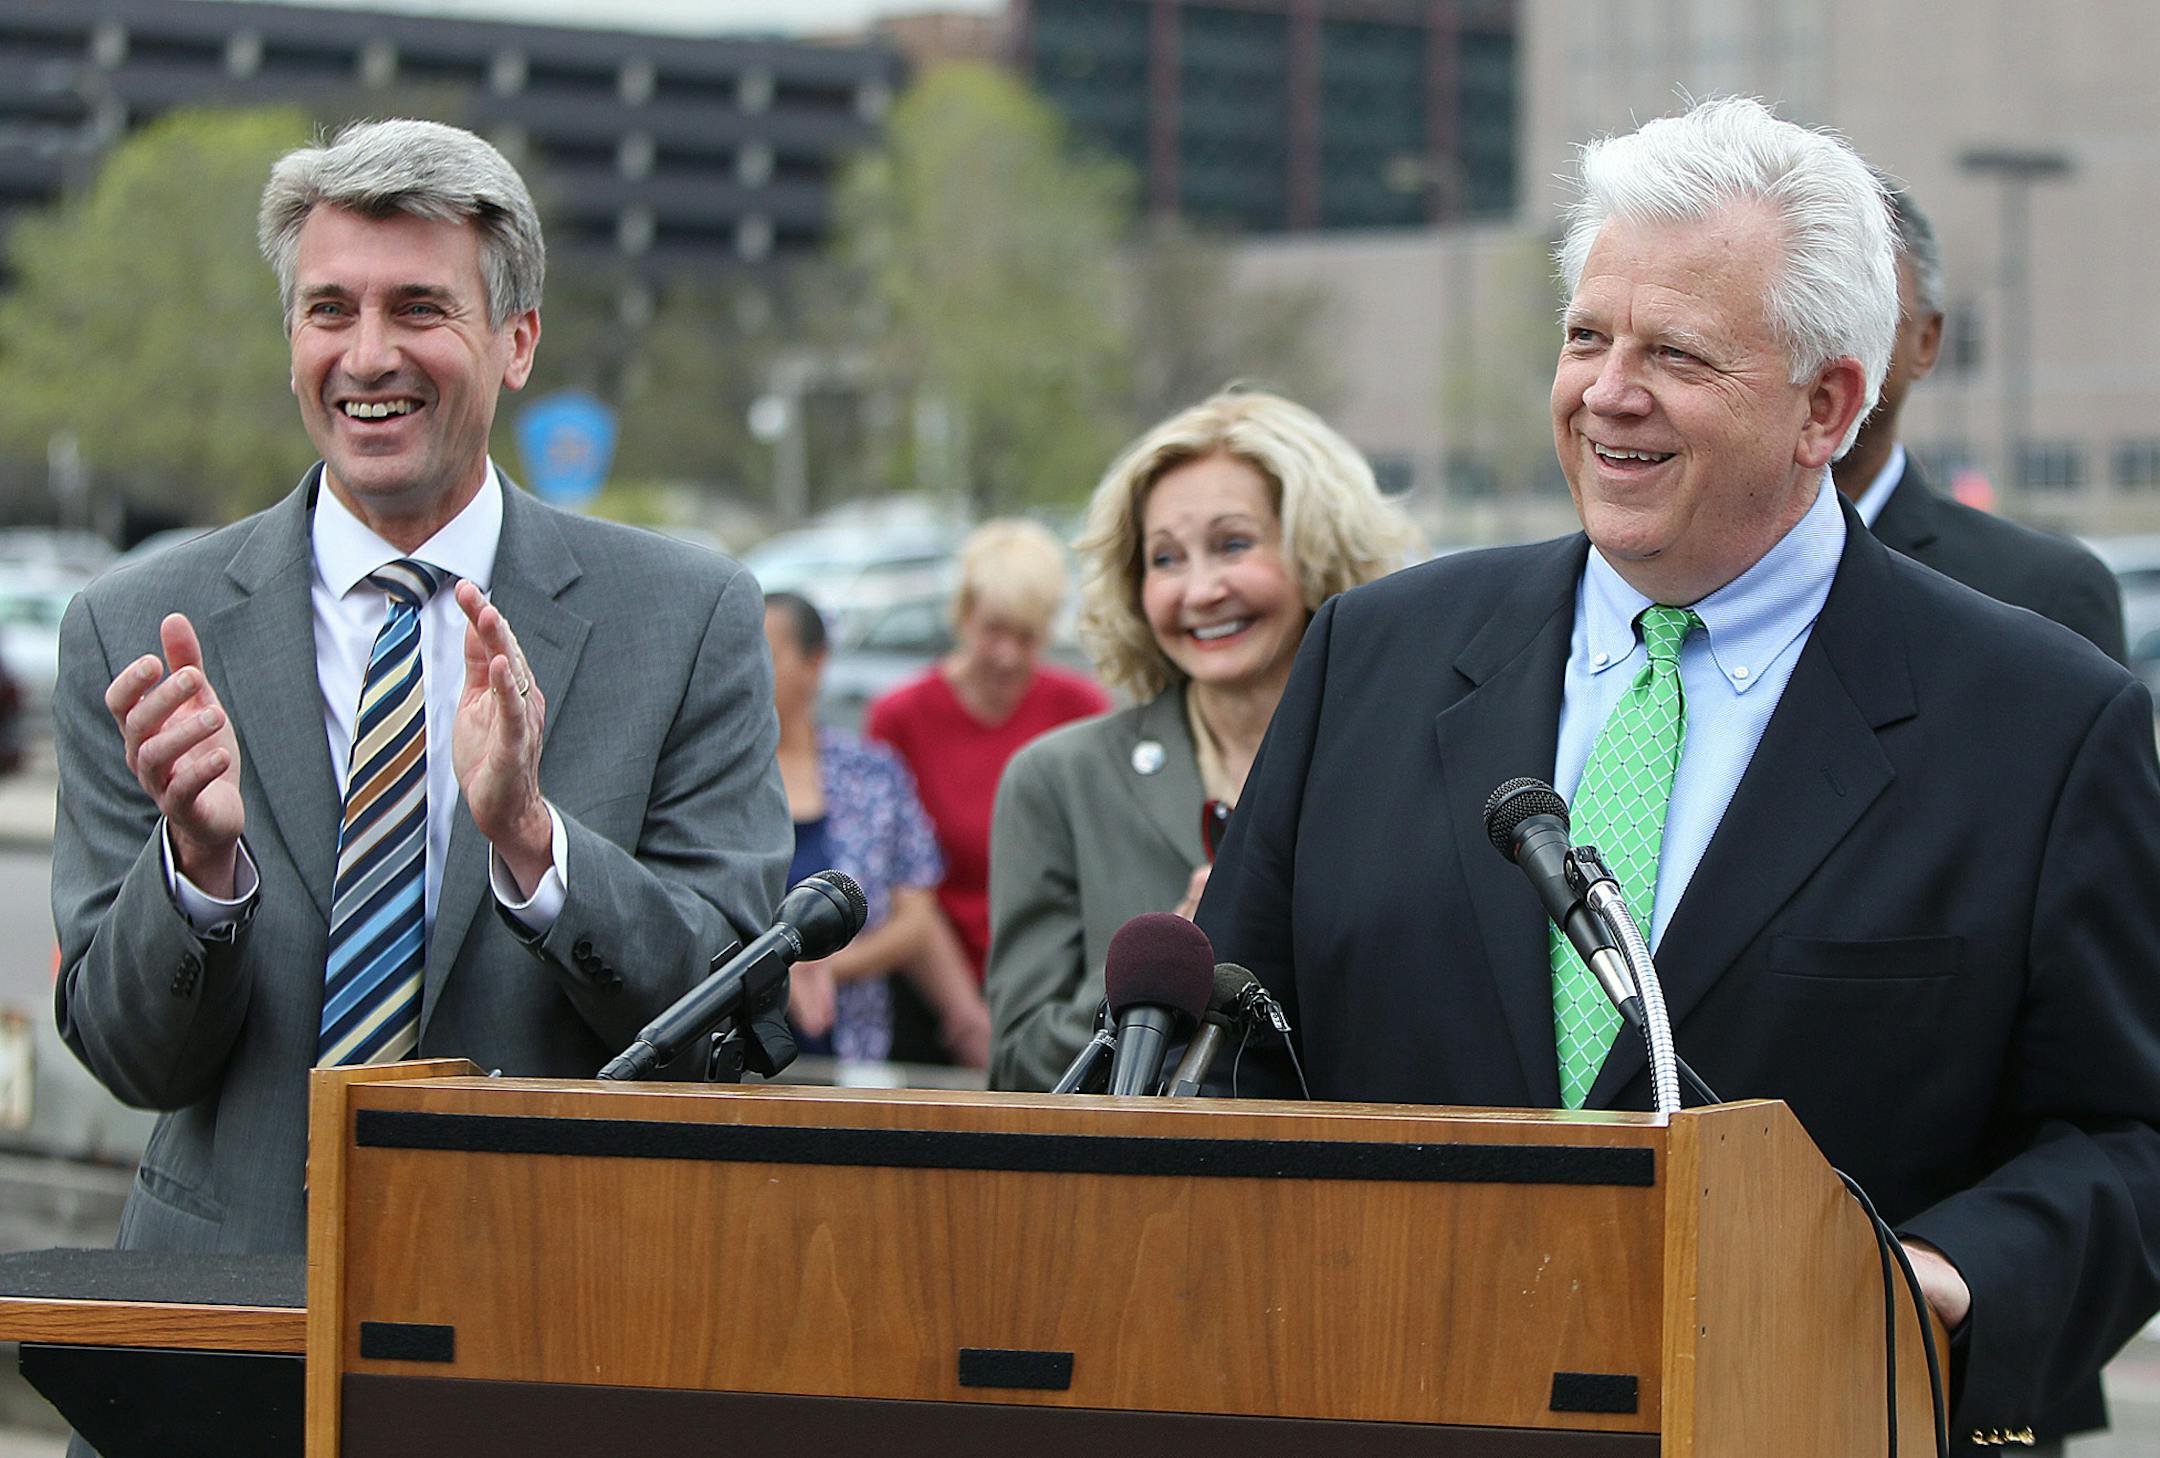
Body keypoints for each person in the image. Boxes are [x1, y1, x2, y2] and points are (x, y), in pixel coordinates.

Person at [1197, 97, 2160, 1452]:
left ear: (1827, 403)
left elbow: (2126, 1133)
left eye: (1676, 353)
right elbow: (1236, 1057)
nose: (1606, 390)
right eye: (1587, 335)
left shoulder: (2043, 723)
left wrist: (1944, 1280)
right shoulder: (1377, 657)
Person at [51, 119, 791, 1259]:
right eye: (329, 309)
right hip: (223, 1334)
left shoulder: (687, 619)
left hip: (558, 1317)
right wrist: (195, 874)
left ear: (518, 340)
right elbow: (129, 1058)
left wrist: (538, 848)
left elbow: (728, 1026)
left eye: (419, 308)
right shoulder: (137, 634)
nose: (367, 356)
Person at [984, 390, 1412, 1091]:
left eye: (1233, 544)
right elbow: (1019, 1063)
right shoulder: (1058, 781)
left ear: (1319, 550)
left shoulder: (1408, 768)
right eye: (1165, 559)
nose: (1201, 589)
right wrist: (1158, 975)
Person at [1831, 183, 2124, 661]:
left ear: (1927, 341)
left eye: (1857, 319)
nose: (1823, 352)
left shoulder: (2043, 592)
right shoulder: (1683, 575)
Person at [865, 518, 1111, 998]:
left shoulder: (1081, 709)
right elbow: (897, 878)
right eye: (994, 631)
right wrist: (961, 1011)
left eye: (1027, 636)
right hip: (928, 980)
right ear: (962, 616)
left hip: (1055, 978)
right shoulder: (900, 717)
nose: (1008, 656)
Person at [764, 590, 948, 1063]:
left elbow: (917, 915)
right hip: (735, 1051)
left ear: (815, 663)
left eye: (767, 653)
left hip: (855, 1044)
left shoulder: (871, 774)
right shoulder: (715, 779)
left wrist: (829, 966)